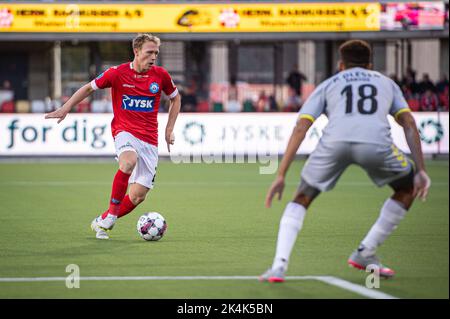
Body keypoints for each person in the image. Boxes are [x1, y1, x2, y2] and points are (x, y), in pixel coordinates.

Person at [260, 40, 431, 282]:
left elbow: (302, 126)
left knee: (302, 197)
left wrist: (281, 174)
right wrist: (421, 170)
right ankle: (366, 251)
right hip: (376, 143)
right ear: (371, 64)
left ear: (341, 65)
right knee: (407, 187)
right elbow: (409, 124)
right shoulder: (386, 83)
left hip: (334, 143)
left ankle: (279, 266)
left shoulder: (329, 84)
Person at [45, 34, 181, 239]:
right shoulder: (117, 73)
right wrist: (66, 108)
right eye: (149, 52)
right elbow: (88, 88)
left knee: (137, 196)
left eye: (156, 53)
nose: (153, 57)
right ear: (136, 52)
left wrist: (169, 129)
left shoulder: (160, 75)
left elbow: (176, 98)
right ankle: (112, 216)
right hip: (124, 131)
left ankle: (104, 219)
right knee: (128, 163)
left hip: (150, 140)